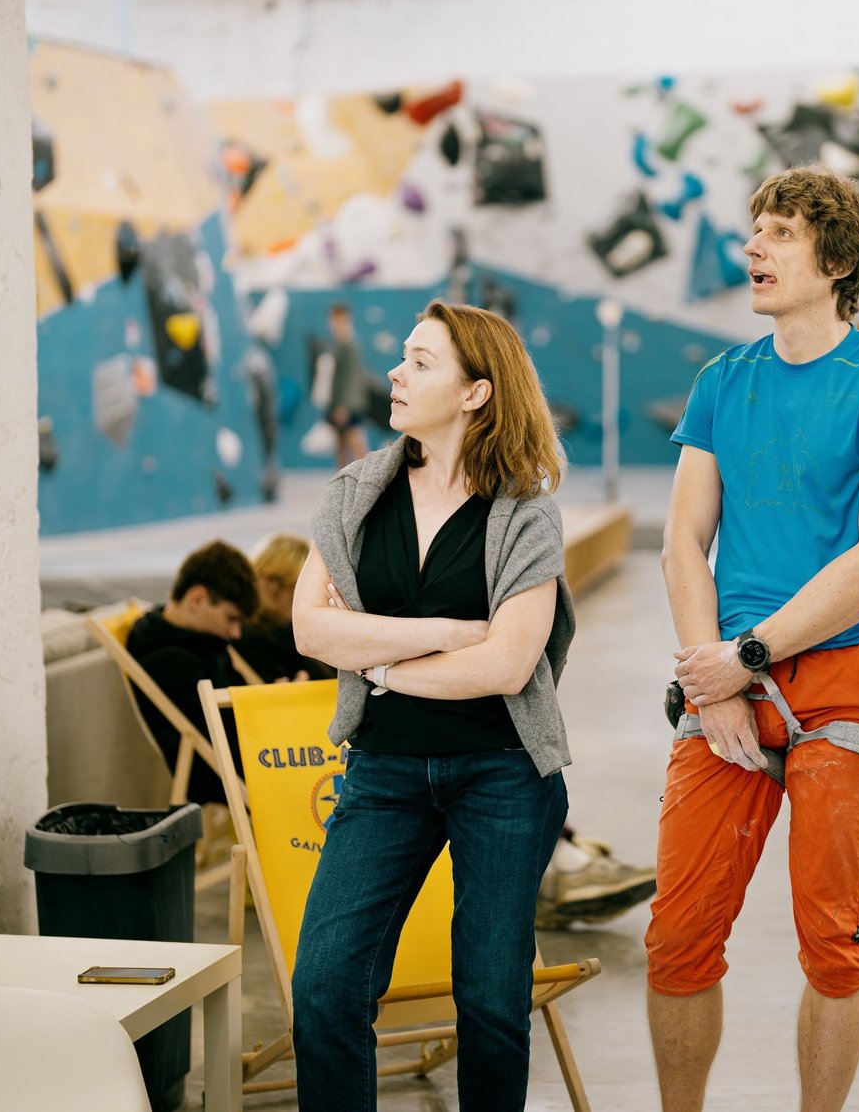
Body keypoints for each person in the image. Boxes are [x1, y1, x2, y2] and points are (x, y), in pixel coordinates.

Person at [648, 165, 859, 1112]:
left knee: (834, 937)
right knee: (678, 936)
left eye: (780, 233)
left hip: (842, 679)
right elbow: (684, 541)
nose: (755, 248)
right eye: (756, 231)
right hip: (728, 678)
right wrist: (713, 676)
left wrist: (749, 654)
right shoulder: (722, 383)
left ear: (840, 259)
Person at [291, 299, 572, 1112]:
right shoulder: (355, 493)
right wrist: (446, 634)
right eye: (402, 357)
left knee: (489, 1001)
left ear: (477, 392)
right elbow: (311, 628)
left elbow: (509, 663)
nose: (395, 372)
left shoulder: (525, 510)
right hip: (382, 770)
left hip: (504, 775)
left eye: (420, 361)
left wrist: (375, 657)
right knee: (326, 981)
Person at [242, 530, 657, 929]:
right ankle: (567, 872)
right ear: (270, 583)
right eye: (293, 588)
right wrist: (424, 646)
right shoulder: (259, 642)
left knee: (503, 795)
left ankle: (572, 862)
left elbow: (499, 667)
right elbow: (317, 640)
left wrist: (369, 656)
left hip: (406, 738)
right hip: (338, 750)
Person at [123, 540, 259, 808]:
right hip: (225, 774)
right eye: (231, 618)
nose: (236, 633)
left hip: (248, 753)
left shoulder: (196, 641)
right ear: (197, 599)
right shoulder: (170, 662)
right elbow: (224, 746)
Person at [233, 531, 329, 683]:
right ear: (268, 582)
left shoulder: (281, 631)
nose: (301, 602)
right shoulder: (246, 636)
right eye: (294, 593)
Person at [318, 301, 373, 469]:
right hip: (339, 404)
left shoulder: (349, 344)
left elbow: (350, 377)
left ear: (346, 319)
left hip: (347, 405)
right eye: (332, 319)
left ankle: (372, 479)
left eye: (338, 319)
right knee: (341, 446)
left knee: (356, 442)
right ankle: (341, 484)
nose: (334, 324)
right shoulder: (340, 343)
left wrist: (344, 406)